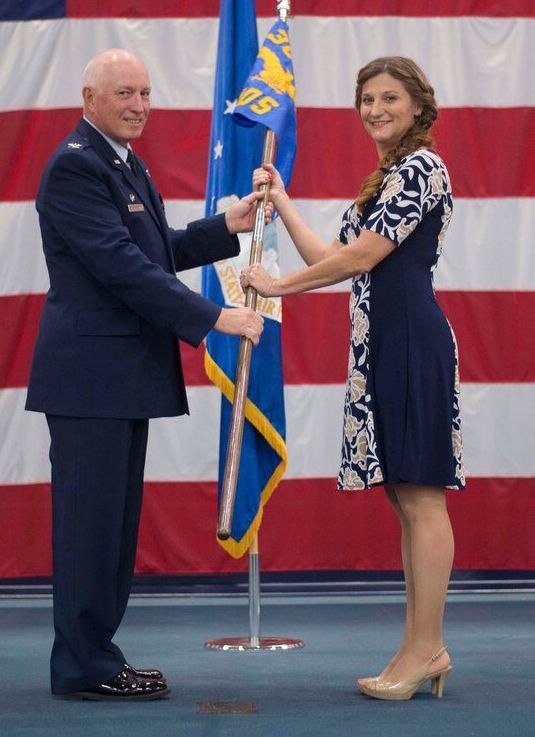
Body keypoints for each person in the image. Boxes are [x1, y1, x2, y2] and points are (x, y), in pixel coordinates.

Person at [26, 48, 266, 701]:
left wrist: (227, 226)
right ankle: (84, 668)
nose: (137, 105)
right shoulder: (77, 167)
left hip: (116, 380)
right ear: (89, 97)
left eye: (145, 93)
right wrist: (215, 318)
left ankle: (97, 658)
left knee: (112, 530)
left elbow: (153, 249)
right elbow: (120, 267)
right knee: (90, 533)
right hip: (89, 383)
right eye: (124, 93)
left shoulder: (121, 164)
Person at [241, 56, 465, 702]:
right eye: (365, 99)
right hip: (381, 347)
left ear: (418, 106)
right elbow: (332, 256)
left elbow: (363, 256)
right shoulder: (387, 177)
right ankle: (419, 646)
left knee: (421, 497)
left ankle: (426, 648)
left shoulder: (422, 167)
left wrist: (276, 286)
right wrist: (280, 200)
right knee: (404, 497)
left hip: (409, 343)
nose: (374, 110)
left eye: (388, 98)